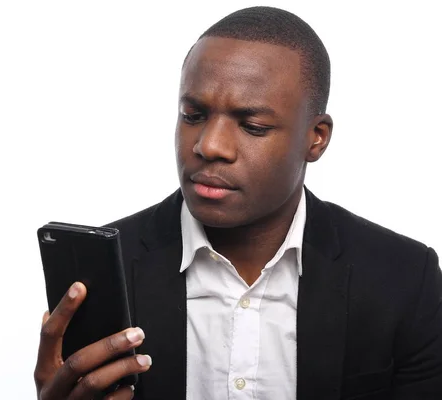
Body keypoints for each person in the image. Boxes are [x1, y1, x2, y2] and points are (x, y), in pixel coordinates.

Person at [34, 6, 442, 400]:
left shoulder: (405, 277)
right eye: (193, 115)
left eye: (253, 126)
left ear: (316, 137)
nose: (208, 146)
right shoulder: (106, 268)